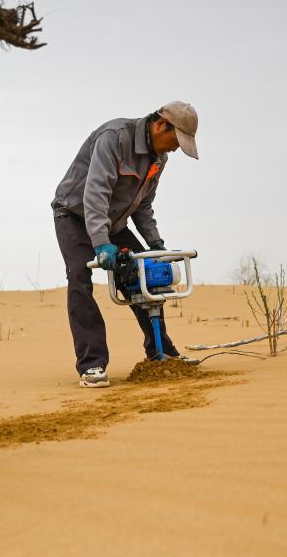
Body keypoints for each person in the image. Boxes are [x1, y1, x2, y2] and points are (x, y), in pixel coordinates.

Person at [52, 101, 199, 387]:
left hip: (114, 221)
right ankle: (92, 364)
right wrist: (101, 244)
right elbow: (95, 193)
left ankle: (161, 352)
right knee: (80, 277)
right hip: (74, 215)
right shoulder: (115, 138)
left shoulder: (159, 158)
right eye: (176, 141)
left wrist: (155, 244)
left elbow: (143, 204)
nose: (175, 149)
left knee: (145, 275)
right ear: (161, 125)